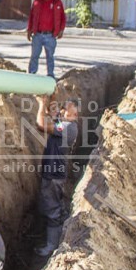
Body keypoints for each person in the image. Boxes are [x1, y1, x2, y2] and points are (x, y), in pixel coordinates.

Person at [34, 95, 78, 256]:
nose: (62, 110)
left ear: (74, 114)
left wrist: (40, 104)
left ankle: (52, 246)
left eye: (65, 109)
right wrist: (50, 96)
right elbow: (52, 112)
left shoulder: (68, 127)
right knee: (53, 205)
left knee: (53, 209)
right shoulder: (64, 123)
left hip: (54, 174)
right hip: (53, 172)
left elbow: (41, 125)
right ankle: (57, 234)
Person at [26, 0, 67, 78]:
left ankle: (50, 74)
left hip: (50, 35)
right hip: (38, 34)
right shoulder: (37, 1)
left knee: (50, 56)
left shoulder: (57, 3)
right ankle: (32, 73)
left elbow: (63, 17)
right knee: (34, 55)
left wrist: (61, 30)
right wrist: (29, 29)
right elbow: (31, 16)